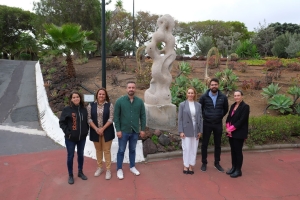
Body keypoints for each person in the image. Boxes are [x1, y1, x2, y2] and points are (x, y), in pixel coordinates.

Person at [114, 81, 146, 180]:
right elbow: (116, 117)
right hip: (123, 131)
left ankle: (132, 167)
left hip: (135, 131)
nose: (131, 89)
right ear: (126, 89)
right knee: (121, 150)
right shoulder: (120, 101)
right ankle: (119, 169)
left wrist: (143, 129)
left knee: (132, 150)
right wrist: (118, 130)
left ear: (135, 89)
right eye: (129, 87)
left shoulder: (140, 102)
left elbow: (143, 116)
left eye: (133, 87)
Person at [59, 91, 89, 185]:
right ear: (71, 99)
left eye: (77, 97)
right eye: (74, 97)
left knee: (80, 155)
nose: (76, 99)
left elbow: (87, 121)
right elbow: (62, 122)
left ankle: (80, 172)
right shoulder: (67, 109)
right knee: (70, 156)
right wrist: (68, 133)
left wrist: (86, 131)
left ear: (80, 98)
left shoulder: (84, 109)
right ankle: (71, 175)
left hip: (82, 138)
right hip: (70, 139)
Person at [199, 78, 228, 172]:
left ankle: (217, 163)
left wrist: (219, 116)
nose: (214, 86)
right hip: (207, 124)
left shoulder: (223, 97)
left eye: (215, 84)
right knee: (204, 144)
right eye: (212, 85)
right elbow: (200, 108)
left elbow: (225, 109)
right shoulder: (204, 97)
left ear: (218, 85)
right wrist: (206, 116)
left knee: (218, 144)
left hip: (218, 124)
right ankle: (204, 162)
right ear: (209, 86)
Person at [87, 88, 115, 180]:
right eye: (100, 94)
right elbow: (89, 118)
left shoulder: (110, 105)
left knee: (106, 151)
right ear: (97, 95)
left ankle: (108, 170)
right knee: (98, 150)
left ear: (105, 95)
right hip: (95, 132)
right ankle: (100, 168)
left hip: (107, 131)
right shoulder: (91, 105)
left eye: (103, 94)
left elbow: (111, 118)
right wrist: (97, 129)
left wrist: (102, 129)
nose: (101, 96)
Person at [178, 87, 203, 175]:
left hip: (195, 130)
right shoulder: (182, 105)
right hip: (186, 129)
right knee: (186, 148)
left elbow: (200, 119)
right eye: (189, 93)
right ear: (186, 94)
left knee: (194, 148)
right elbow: (180, 119)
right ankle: (186, 165)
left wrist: (200, 131)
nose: (190, 95)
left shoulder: (198, 105)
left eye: (192, 93)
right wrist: (181, 131)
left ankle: (191, 165)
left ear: (194, 94)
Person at [225, 90, 250, 178]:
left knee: (238, 152)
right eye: (235, 95)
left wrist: (230, 129)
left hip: (239, 133)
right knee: (233, 151)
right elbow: (229, 117)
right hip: (231, 133)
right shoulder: (233, 105)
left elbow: (241, 121)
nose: (236, 97)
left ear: (242, 96)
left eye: (238, 95)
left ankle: (238, 170)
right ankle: (233, 167)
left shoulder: (245, 107)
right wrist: (227, 127)